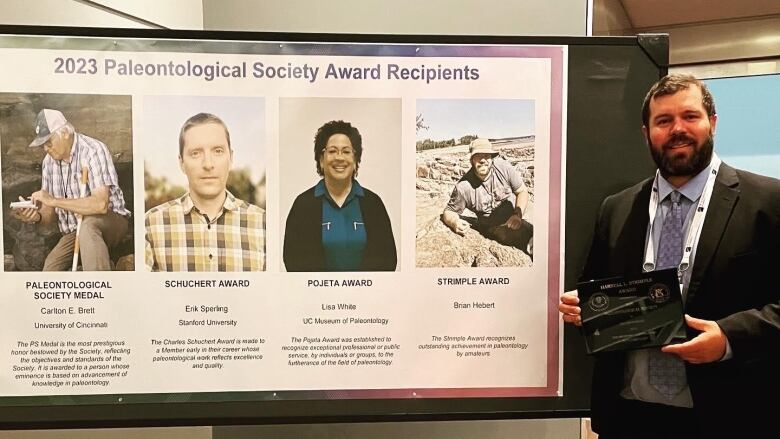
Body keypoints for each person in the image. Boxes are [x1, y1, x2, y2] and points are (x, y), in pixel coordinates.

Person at [559, 74, 780, 438]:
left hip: (731, 414)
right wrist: (585, 307)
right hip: (628, 416)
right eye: (664, 121)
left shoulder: (768, 203)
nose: (678, 129)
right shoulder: (616, 209)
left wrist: (729, 338)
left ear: (713, 122)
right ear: (647, 133)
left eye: (690, 116)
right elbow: (595, 291)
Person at [12, 109, 130, 271]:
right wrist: (36, 216)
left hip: (110, 222)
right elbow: (49, 218)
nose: (46, 148)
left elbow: (100, 205)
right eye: (42, 145)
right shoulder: (48, 163)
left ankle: (102, 289)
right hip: (74, 232)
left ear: (65, 133)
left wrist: (53, 200)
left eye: (49, 142)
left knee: (88, 227)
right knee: (51, 268)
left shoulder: (93, 150)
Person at [144, 112, 265, 272]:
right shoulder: (151, 225)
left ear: (231, 158)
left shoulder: (263, 225)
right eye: (196, 153)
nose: (208, 164)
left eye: (218, 151)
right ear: (181, 163)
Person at [284, 120, 396, 271]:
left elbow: (387, 260)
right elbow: (293, 261)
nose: (339, 157)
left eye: (346, 151)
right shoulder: (303, 205)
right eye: (332, 151)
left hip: (365, 293)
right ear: (321, 160)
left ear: (356, 160)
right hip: (317, 294)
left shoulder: (373, 203)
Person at [441, 138, 533, 255]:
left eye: (487, 155)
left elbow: (522, 191)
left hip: (516, 215)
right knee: (513, 238)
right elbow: (448, 212)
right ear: (471, 159)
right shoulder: (463, 187)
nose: (483, 159)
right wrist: (455, 223)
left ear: (491, 158)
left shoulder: (503, 167)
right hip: (495, 228)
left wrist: (517, 214)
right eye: (478, 156)